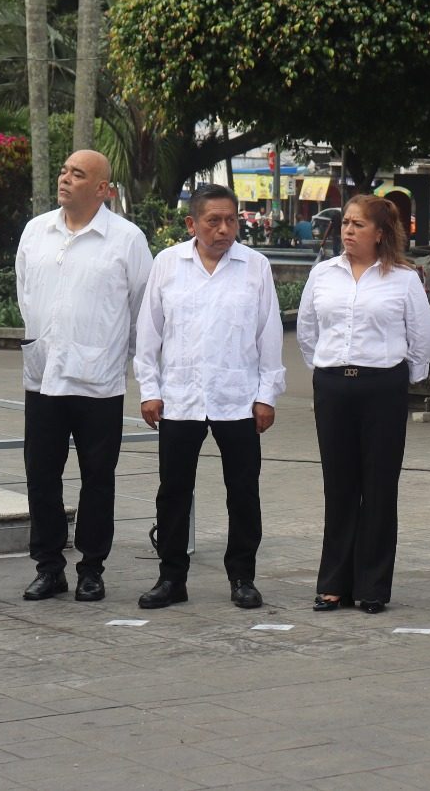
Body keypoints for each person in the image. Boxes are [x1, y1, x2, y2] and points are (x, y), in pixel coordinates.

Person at [134, 183, 285, 609]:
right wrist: (150, 390)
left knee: (243, 492)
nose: (223, 229)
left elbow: (269, 334)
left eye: (230, 220)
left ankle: (242, 577)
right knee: (173, 492)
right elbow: (149, 332)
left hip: (237, 397)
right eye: (213, 221)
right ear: (192, 224)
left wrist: (267, 395)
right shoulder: (168, 264)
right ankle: (171, 577)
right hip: (180, 398)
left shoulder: (254, 266)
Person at [15, 150, 152, 603]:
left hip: (99, 381)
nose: (65, 178)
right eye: (64, 171)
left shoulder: (126, 239)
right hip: (43, 377)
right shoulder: (36, 231)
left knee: (97, 478)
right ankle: (48, 566)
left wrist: (118, 357)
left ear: (102, 189)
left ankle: (92, 568)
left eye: (77, 174)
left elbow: (142, 309)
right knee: (41, 476)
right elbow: (25, 294)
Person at [298, 194, 430, 613]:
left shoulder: (403, 279)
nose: (348, 230)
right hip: (333, 387)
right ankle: (333, 584)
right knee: (339, 486)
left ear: (380, 233)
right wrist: (328, 371)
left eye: (358, 224)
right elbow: (307, 331)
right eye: (345, 223)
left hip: (382, 389)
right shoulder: (323, 274)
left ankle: (372, 586)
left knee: (379, 487)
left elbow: (421, 337)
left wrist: (401, 380)